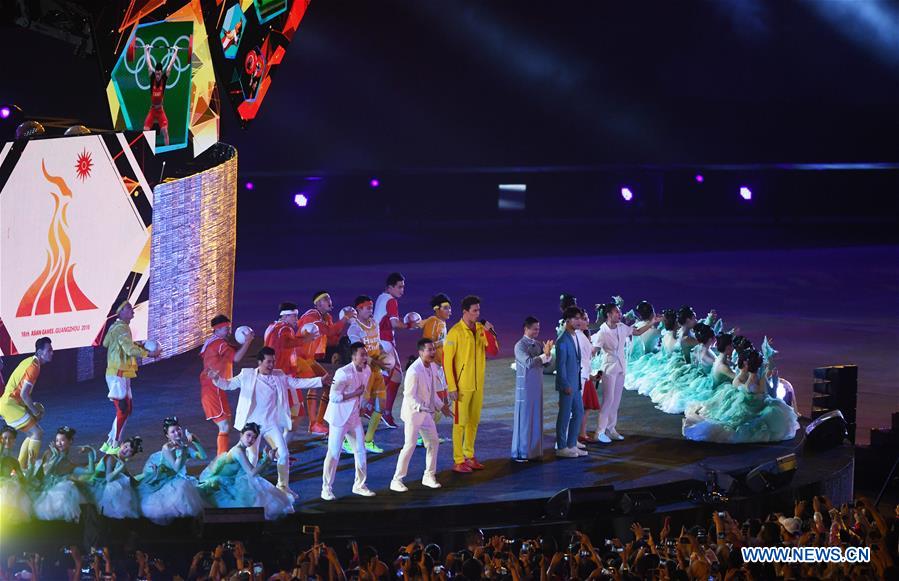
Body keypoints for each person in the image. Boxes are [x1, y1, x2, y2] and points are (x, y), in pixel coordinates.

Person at [208, 347, 327, 496]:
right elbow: (228, 385)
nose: (271, 365)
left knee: (283, 454)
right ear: (260, 362)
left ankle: (283, 486)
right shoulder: (247, 375)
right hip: (252, 427)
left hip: (271, 424)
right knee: (252, 457)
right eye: (268, 362)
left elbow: (296, 383)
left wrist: (319, 381)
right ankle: (249, 489)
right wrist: (215, 378)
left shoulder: (279, 375)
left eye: (273, 362)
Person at [444, 295, 499, 473]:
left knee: (473, 421)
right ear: (465, 311)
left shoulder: (481, 329)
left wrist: (490, 333)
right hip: (461, 387)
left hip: (478, 385)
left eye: (479, 310)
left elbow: (493, 351)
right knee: (460, 423)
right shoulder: (455, 332)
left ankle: (469, 455)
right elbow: (447, 362)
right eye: (474, 310)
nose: (478, 313)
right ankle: (458, 459)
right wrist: (452, 387)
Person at [593, 301, 662, 443]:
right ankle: (599, 432)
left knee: (616, 401)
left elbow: (637, 332)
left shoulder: (622, 327)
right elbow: (595, 350)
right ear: (609, 314)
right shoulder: (602, 332)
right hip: (609, 369)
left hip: (621, 368)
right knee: (608, 400)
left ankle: (611, 429)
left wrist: (652, 322)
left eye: (619, 312)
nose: (620, 314)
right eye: (617, 312)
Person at [391, 338, 453, 492]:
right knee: (409, 445)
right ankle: (396, 480)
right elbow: (409, 395)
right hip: (413, 414)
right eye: (429, 350)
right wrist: (422, 408)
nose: (433, 352)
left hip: (426, 414)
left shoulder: (432, 367)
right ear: (421, 352)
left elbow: (432, 393)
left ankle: (429, 476)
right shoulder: (413, 371)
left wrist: (441, 406)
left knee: (433, 442)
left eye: (433, 349)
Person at [199, 423, 294, 519]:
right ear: (241, 435)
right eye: (248, 435)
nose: (251, 440)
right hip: (220, 486)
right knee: (256, 488)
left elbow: (256, 473)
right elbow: (252, 473)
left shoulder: (242, 450)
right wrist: (267, 460)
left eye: (254, 437)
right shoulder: (238, 451)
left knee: (257, 484)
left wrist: (267, 461)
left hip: (230, 482)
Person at [102, 301, 160, 454]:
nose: (131, 309)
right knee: (123, 409)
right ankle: (115, 444)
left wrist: (136, 344)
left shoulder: (117, 326)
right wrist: (148, 353)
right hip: (117, 374)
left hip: (121, 374)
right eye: (128, 307)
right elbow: (127, 349)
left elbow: (106, 343)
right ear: (120, 312)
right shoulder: (121, 328)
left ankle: (110, 441)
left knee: (127, 409)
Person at [321, 342, 376, 500]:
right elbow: (334, 397)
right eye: (362, 355)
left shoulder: (367, 370)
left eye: (366, 354)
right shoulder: (342, 373)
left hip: (354, 417)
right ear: (353, 357)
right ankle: (326, 488)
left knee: (360, 450)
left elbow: (362, 392)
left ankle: (359, 485)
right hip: (339, 418)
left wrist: (361, 405)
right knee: (333, 453)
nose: (365, 357)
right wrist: (354, 394)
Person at [298, 291, 353, 436]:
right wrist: (344, 320)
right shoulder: (312, 316)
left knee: (329, 384)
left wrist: (342, 324)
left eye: (329, 298)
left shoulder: (327, 317)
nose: (329, 301)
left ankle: (319, 423)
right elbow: (328, 331)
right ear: (317, 304)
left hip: (309, 358)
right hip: (297, 357)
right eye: (325, 299)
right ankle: (313, 424)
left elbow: (332, 340)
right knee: (315, 383)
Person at [200, 315, 254, 456]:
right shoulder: (220, 344)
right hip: (214, 389)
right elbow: (236, 358)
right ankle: (220, 460)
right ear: (217, 329)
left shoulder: (212, 341)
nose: (229, 331)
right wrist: (248, 341)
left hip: (215, 387)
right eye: (226, 328)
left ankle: (224, 456)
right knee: (224, 426)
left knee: (227, 424)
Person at [264, 302, 319, 438]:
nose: (296, 319)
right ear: (285, 316)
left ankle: (278, 450)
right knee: (297, 415)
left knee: (279, 416)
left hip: (272, 377)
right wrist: (306, 339)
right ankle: (280, 451)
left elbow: (282, 345)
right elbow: (286, 343)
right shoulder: (285, 329)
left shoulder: (271, 327)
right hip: (285, 378)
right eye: (294, 316)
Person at [137, 417, 207, 524]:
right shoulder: (167, 448)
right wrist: (183, 451)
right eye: (173, 432)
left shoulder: (184, 447)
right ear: (168, 436)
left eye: (178, 429)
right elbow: (176, 467)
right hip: (166, 479)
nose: (177, 433)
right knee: (182, 489)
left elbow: (203, 456)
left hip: (179, 478)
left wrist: (196, 441)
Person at [374, 272, 420, 428]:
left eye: (403, 287)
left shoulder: (381, 297)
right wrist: (409, 325)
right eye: (399, 287)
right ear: (390, 287)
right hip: (384, 342)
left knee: (395, 377)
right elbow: (394, 324)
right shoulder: (391, 301)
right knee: (390, 377)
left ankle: (382, 411)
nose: (402, 290)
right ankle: (373, 408)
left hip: (379, 341)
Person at [0, 336, 54, 468]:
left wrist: (29, 409)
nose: (52, 353)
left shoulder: (31, 362)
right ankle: (29, 468)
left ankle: (21, 466)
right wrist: (35, 411)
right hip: (10, 405)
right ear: (40, 352)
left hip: (9, 404)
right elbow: (24, 394)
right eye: (49, 350)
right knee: (37, 433)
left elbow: (20, 392)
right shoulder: (34, 367)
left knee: (31, 433)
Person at [347, 295, 391, 453]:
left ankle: (368, 440)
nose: (371, 310)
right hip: (363, 374)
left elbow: (377, 343)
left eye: (371, 307)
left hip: (377, 372)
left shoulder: (374, 323)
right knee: (359, 408)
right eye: (367, 307)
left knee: (380, 406)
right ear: (358, 309)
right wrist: (377, 362)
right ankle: (347, 439)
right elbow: (359, 355)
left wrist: (385, 355)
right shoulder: (354, 329)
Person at [511, 317, 553, 463]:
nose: (537, 331)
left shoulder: (537, 344)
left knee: (536, 416)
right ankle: (521, 452)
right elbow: (529, 363)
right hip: (526, 387)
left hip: (537, 385)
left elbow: (546, 364)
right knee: (525, 418)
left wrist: (548, 354)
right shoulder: (519, 346)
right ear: (526, 329)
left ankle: (534, 451)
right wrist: (544, 355)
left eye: (538, 329)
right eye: (534, 328)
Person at [80, 436, 143, 519]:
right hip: (97, 484)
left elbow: (131, 479)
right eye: (125, 447)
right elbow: (108, 478)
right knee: (118, 487)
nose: (125, 451)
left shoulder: (120, 461)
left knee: (128, 483)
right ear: (122, 444)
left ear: (131, 455)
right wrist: (120, 468)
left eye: (129, 451)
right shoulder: (111, 458)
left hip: (104, 484)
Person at [419, 293, 452, 445]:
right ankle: (423, 435)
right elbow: (426, 343)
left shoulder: (441, 323)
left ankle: (427, 433)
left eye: (450, 308)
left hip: (439, 367)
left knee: (443, 401)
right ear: (437, 309)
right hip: (433, 367)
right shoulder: (434, 321)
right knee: (437, 402)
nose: (449, 310)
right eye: (446, 308)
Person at [32, 426, 85, 522]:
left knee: (76, 484)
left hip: (55, 482)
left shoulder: (68, 462)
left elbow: (80, 470)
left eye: (62, 440)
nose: (58, 443)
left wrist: (90, 454)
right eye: (57, 440)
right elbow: (46, 473)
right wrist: (55, 457)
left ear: (70, 441)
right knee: (67, 488)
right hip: (43, 485)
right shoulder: (49, 453)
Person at [554, 307, 587, 458]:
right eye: (576, 318)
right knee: (564, 415)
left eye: (580, 318)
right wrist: (565, 384)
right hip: (567, 384)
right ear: (567, 320)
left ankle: (572, 444)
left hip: (576, 384)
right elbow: (560, 366)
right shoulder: (562, 339)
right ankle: (561, 447)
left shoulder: (575, 336)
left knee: (579, 412)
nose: (579, 321)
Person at [143, 43, 179, 146]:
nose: (158, 76)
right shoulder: (152, 76)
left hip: (160, 110)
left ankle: (167, 152)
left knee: (165, 131)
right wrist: (146, 50)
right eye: (157, 73)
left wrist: (175, 51)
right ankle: (147, 150)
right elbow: (148, 62)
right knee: (145, 131)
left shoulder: (164, 78)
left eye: (159, 74)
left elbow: (171, 64)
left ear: (161, 72)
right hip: (153, 110)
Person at [0, 425, 32, 526]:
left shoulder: (13, 461)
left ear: (14, 441)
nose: (7, 441)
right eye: (5, 438)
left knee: (14, 488)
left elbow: (21, 477)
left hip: (6, 484)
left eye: (10, 438)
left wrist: (31, 464)